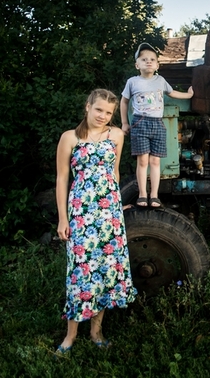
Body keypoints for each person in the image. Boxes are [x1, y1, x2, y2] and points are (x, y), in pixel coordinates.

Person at [55, 89, 137, 354]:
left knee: (104, 269)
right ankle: (70, 335)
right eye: (98, 109)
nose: (103, 116)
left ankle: (96, 332)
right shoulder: (70, 137)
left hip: (109, 215)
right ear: (87, 106)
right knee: (80, 272)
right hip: (81, 215)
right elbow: (62, 179)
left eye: (109, 112)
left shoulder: (116, 135)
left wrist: (116, 203)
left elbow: (114, 172)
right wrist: (62, 218)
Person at [120, 42, 194, 208]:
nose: (148, 61)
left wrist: (188, 95)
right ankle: (142, 195)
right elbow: (124, 102)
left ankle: (154, 195)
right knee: (142, 161)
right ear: (137, 65)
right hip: (140, 122)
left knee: (155, 162)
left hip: (158, 124)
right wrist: (125, 122)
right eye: (144, 59)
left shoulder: (160, 80)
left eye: (152, 59)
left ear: (157, 65)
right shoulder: (133, 82)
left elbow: (172, 92)